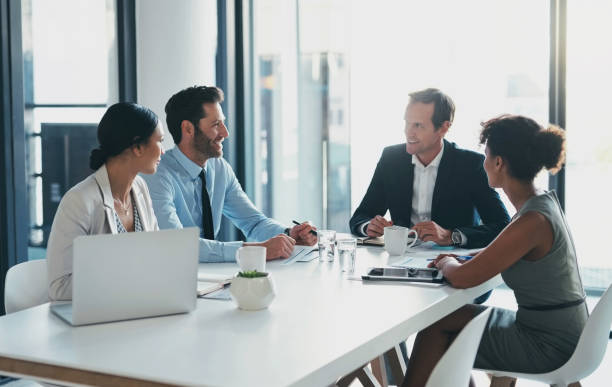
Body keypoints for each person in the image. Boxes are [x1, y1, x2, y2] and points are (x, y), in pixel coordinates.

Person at [402, 115, 588, 387]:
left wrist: (448, 263)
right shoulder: (541, 204)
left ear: (499, 163)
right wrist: (459, 260)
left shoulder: (532, 220)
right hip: (563, 331)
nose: (484, 163)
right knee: (444, 321)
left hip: (549, 344)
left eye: (486, 155)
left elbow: (463, 277)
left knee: (434, 333)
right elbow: (497, 252)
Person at [142, 85, 316, 263]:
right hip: (174, 276)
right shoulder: (157, 176)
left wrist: (289, 234)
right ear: (188, 129)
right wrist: (256, 250)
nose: (225, 133)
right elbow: (179, 245)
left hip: (214, 277)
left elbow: (253, 222)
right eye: (216, 125)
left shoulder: (219, 169)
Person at [349, 88, 510, 248]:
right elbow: (360, 217)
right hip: (400, 260)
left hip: (452, 262)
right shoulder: (391, 158)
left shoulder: (470, 164)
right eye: (407, 123)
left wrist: (451, 236)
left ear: (443, 128)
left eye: (418, 125)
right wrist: (369, 226)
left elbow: (502, 225)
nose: (408, 132)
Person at [47, 102, 164, 301]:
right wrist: (128, 278)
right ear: (137, 146)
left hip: (135, 306)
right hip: (93, 319)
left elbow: (155, 257)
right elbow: (60, 287)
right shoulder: (79, 201)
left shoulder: (140, 188)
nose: (163, 151)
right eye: (160, 141)